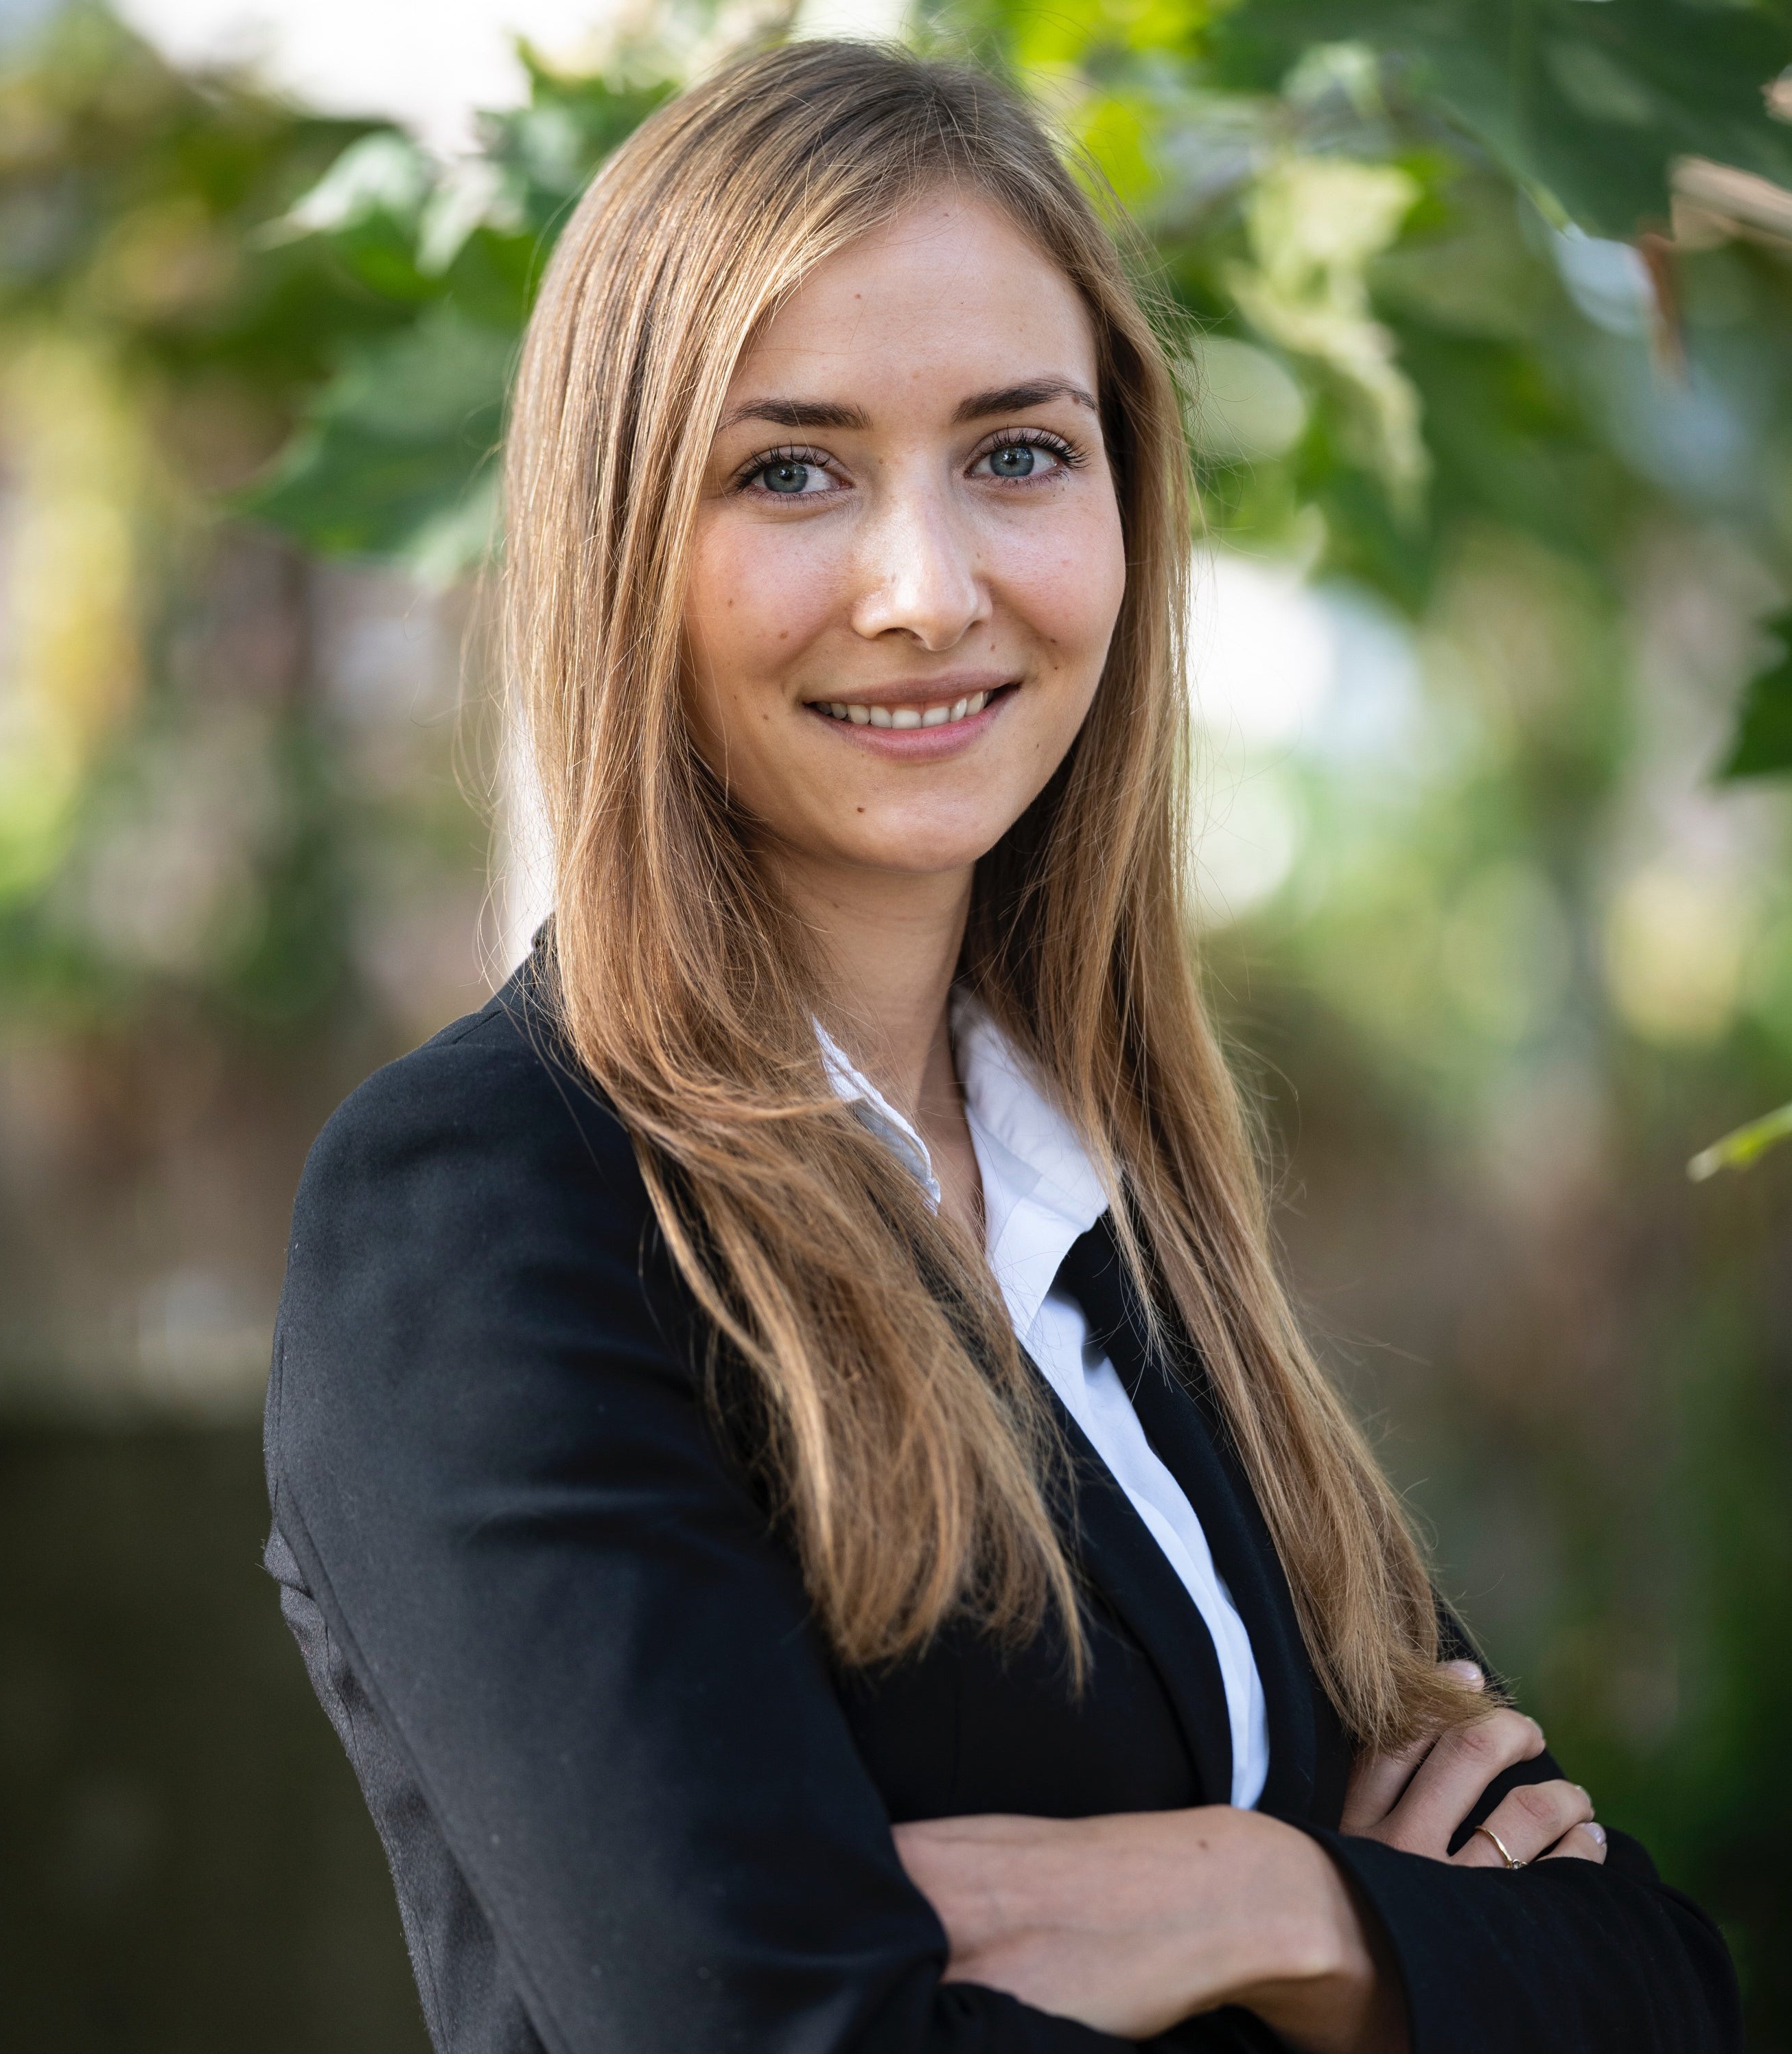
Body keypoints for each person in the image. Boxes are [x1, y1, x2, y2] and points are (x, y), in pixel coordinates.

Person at [264, 40, 1738, 2054]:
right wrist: (1392, 1970)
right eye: (790, 469)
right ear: (620, 547)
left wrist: (1273, 1903)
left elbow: (1649, 1987)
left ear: (1126, 502)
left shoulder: (1113, 1210)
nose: (925, 589)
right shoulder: (490, 1212)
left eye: (1017, 452)